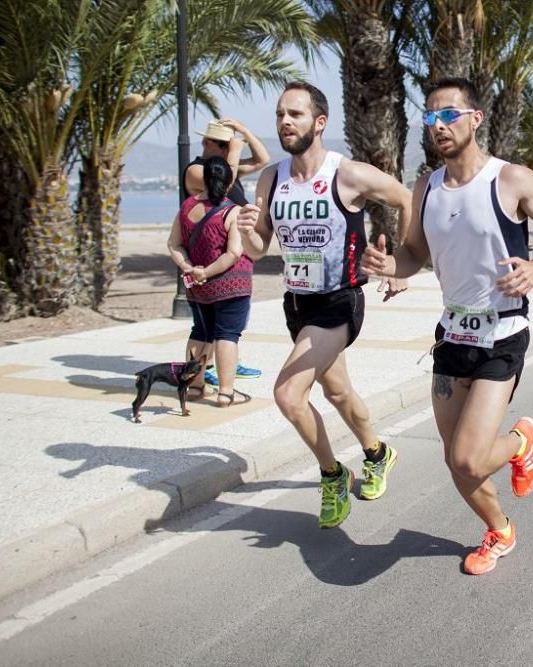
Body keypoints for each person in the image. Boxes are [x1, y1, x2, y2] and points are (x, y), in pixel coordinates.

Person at [362, 77, 533, 575]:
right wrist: (387, 266)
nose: (438, 126)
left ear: (475, 119)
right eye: (430, 117)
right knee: (456, 461)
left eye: (448, 115)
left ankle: (520, 443)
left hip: (502, 335)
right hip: (451, 338)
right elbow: (415, 254)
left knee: (469, 459)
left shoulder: (510, 180)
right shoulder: (425, 187)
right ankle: (500, 531)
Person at [236, 81, 411, 528]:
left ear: (319, 122)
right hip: (298, 304)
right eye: (279, 114)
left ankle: (333, 474)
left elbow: (406, 199)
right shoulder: (271, 177)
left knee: (288, 394)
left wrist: (400, 266)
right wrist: (245, 229)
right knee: (337, 392)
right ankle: (378, 452)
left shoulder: (346, 173)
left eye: (294, 114)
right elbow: (257, 250)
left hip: (340, 302)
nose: (284, 122)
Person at [185, 119, 270, 385]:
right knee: (207, 318)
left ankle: (229, 361)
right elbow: (222, 183)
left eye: (228, 146)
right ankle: (205, 368)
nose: (226, 149)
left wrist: (244, 131)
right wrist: (233, 153)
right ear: (208, 143)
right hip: (212, 247)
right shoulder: (196, 170)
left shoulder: (227, 166)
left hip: (237, 244)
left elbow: (262, 159)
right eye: (222, 145)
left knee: (232, 315)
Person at [167, 156, 252, 407]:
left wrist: (189, 267)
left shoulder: (186, 208)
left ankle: (194, 387)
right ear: (228, 181)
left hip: (198, 287)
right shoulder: (231, 210)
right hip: (231, 285)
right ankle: (226, 392)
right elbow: (234, 252)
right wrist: (209, 271)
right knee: (227, 335)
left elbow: (174, 243)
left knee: (200, 332)